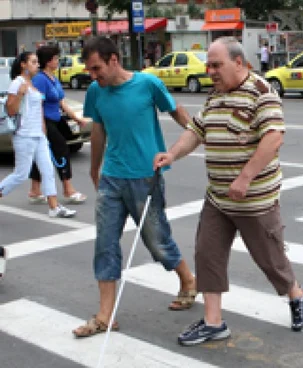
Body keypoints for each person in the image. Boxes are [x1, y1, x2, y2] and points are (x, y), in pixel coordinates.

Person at [153, 36, 303, 346]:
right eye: (208, 65)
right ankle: (214, 322)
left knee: (270, 260)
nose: (210, 71)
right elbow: (196, 131)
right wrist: (172, 154)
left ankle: (297, 295)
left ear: (238, 62)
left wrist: (246, 177)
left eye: (217, 65)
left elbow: (273, 139)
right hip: (218, 197)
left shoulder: (262, 93)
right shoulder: (215, 96)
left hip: (255, 200)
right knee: (207, 254)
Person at [71, 36, 196, 338]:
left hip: (146, 177)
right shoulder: (95, 91)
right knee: (105, 244)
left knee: (157, 241)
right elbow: (98, 129)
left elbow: (176, 111)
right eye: (89, 70)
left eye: (96, 68)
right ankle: (104, 315)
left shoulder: (147, 84)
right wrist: (93, 167)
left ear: (114, 59)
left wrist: (198, 132)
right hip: (112, 177)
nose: (93, 75)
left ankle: (188, 280)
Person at [0, 52, 77, 218]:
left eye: (37, 62)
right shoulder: (17, 83)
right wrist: (20, 93)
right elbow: (11, 110)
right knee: (21, 173)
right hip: (24, 134)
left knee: (48, 170)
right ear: (23, 65)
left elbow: (39, 108)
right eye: (33, 62)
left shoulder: (32, 83)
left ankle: (54, 207)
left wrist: (43, 129)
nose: (37, 65)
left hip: (39, 135)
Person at [27, 45, 89, 205]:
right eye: (55, 58)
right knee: (61, 150)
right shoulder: (40, 79)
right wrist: (41, 125)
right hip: (45, 120)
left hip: (56, 119)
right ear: (48, 61)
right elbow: (37, 104)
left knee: (42, 154)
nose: (58, 61)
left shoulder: (53, 78)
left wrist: (76, 119)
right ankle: (68, 189)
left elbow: (62, 102)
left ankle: (35, 190)